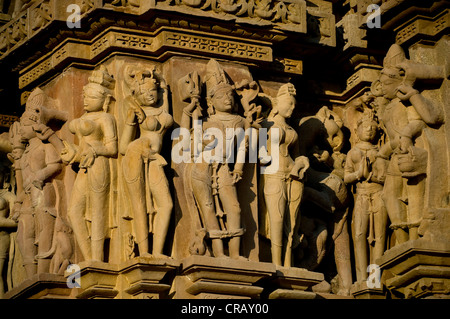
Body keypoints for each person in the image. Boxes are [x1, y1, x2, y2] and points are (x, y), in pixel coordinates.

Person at [61, 65, 118, 262]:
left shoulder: (106, 118)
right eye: (85, 96)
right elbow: (82, 147)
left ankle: (97, 259)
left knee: (98, 209)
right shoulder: (85, 117)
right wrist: (73, 154)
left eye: (92, 97)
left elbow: (112, 149)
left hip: (99, 164)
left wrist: (94, 150)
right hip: (85, 165)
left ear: (105, 101)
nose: (86, 100)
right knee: (74, 211)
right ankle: (88, 258)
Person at [120, 66, 173, 258]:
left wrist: (155, 77)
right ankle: (144, 252)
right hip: (142, 160)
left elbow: (165, 90)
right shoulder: (135, 112)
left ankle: (158, 252)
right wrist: (140, 146)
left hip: (157, 161)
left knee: (166, 205)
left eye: (153, 91)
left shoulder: (162, 109)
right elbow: (123, 147)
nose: (151, 95)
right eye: (145, 92)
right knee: (140, 204)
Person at [260, 83, 309, 267]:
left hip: (293, 177)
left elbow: (297, 156)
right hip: (273, 175)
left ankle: (288, 262)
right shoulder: (265, 124)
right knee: (277, 219)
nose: (292, 108)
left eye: (294, 105)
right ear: (277, 103)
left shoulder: (292, 130)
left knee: (293, 221)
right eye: (289, 103)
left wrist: (303, 162)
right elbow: (257, 150)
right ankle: (276, 264)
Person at [344, 112, 387, 283]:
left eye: (373, 128)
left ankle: (374, 280)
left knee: (379, 237)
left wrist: (370, 176)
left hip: (379, 194)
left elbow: (387, 177)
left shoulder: (382, 152)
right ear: (357, 130)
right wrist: (358, 174)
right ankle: (362, 279)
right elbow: (346, 177)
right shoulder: (353, 152)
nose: (369, 130)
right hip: (361, 194)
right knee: (360, 235)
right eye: (365, 127)